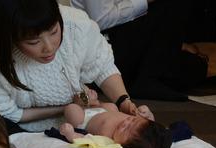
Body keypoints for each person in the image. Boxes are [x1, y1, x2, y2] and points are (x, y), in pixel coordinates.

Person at [0, 0, 153, 134]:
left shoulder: (76, 25)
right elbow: (11, 114)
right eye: (33, 42)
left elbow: (102, 66)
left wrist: (123, 101)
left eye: (54, 32)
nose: (49, 47)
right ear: (10, 38)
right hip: (12, 118)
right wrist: (67, 108)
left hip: (74, 113)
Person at [69, 0, 208, 101]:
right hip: (103, 45)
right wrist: (144, 2)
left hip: (135, 45)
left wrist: (174, 44)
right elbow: (100, 20)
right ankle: (146, 80)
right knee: (176, 3)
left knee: (196, 66)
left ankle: (137, 80)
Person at [58, 101, 172, 148]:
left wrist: (71, 134)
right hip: (104, 110)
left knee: (71, 109)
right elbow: (150, 123)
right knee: (112, 106)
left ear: (125, 146)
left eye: (126, 129)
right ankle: (94, 103)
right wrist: (147, 113)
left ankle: (83, 105)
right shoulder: (142, 125)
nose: (126, 122)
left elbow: (88, 140)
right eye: (132, 120)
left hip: (84, 119)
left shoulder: (110, 143)